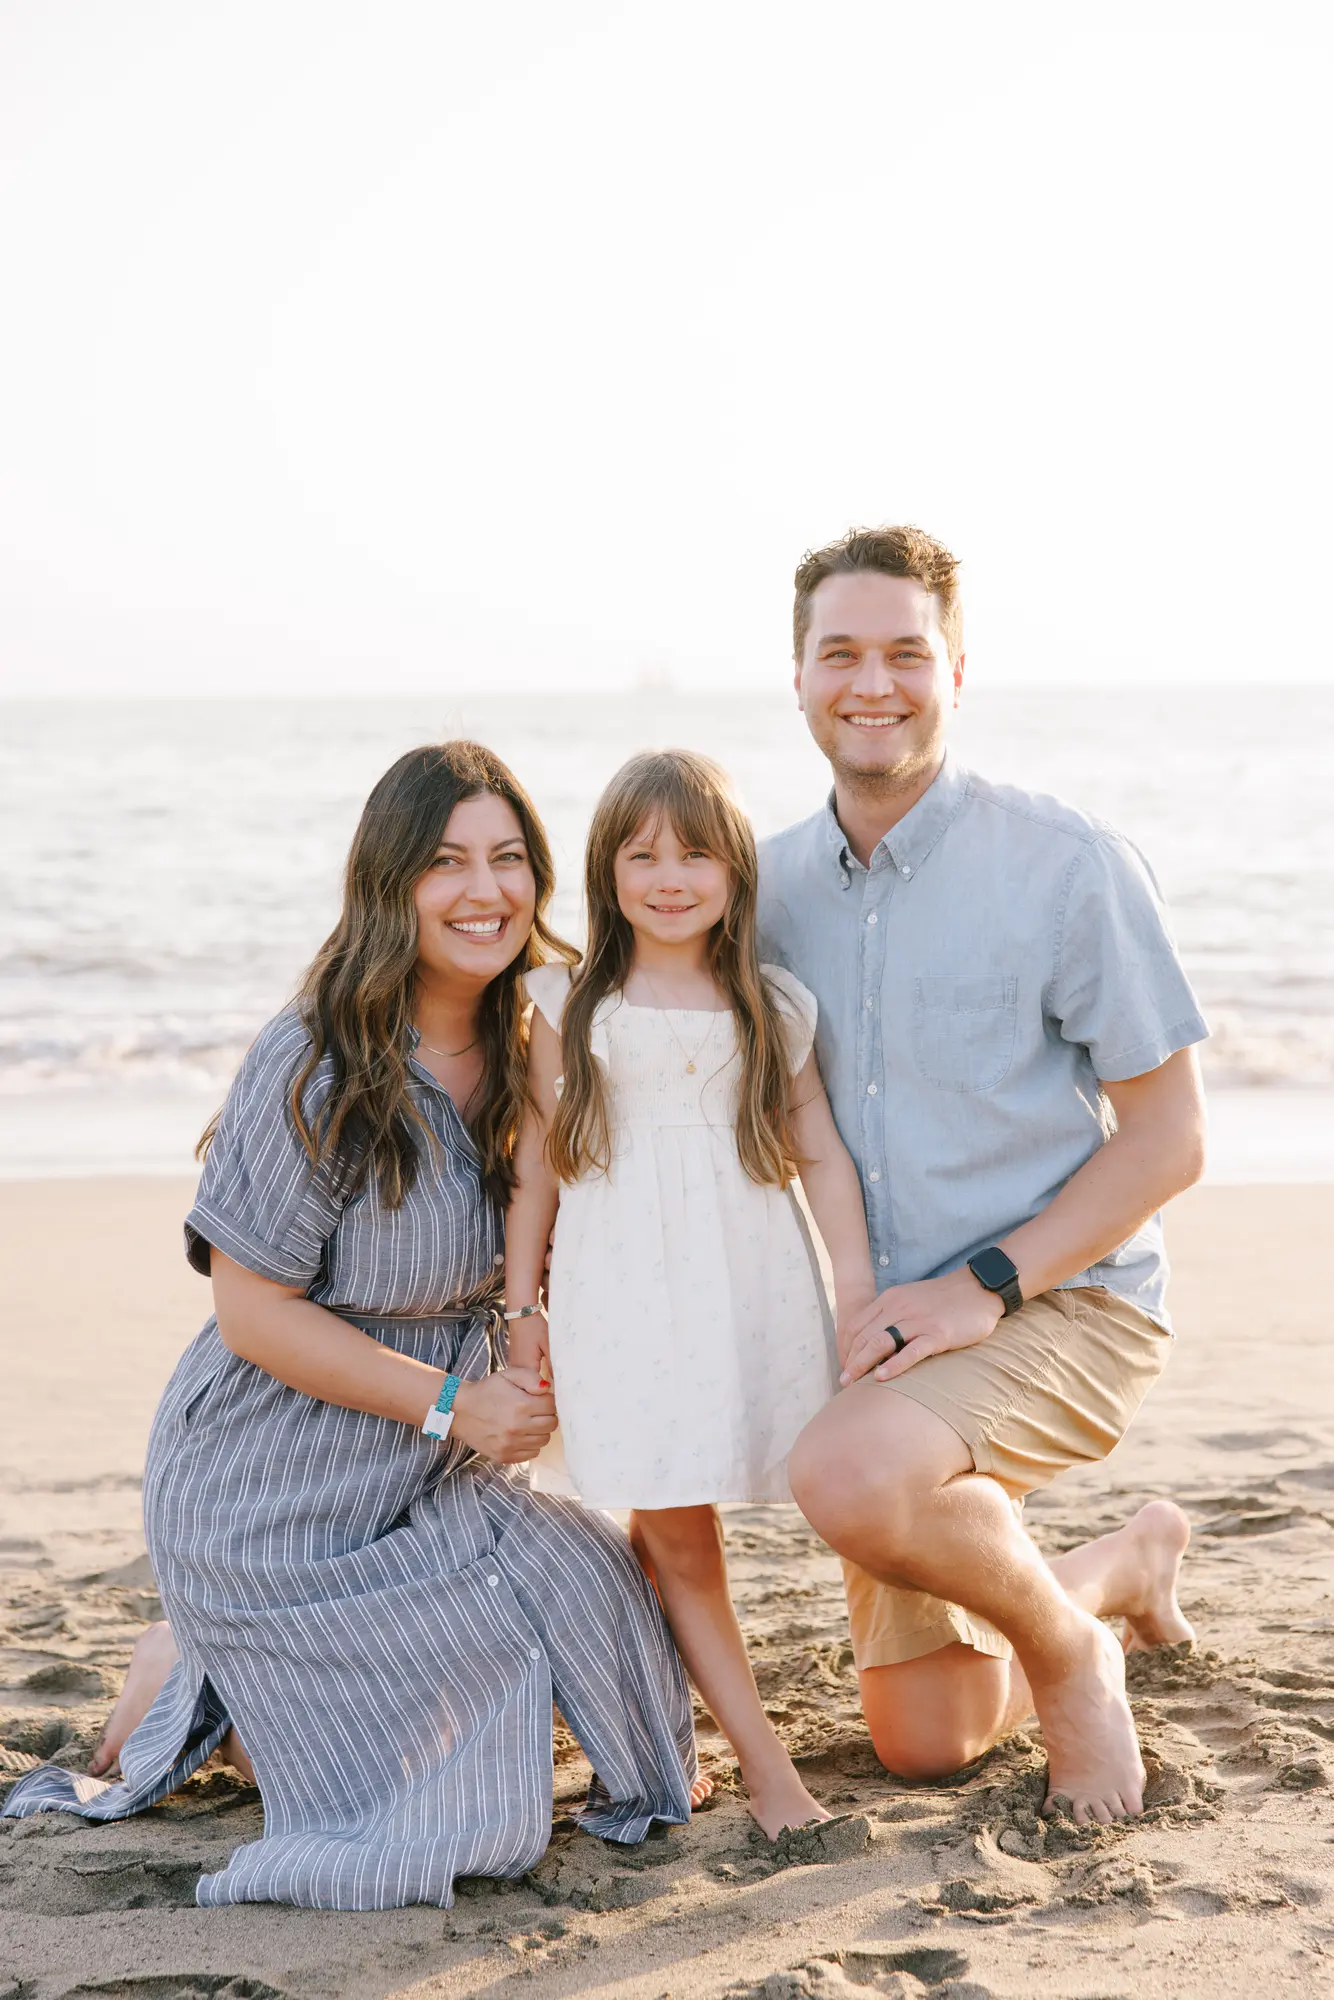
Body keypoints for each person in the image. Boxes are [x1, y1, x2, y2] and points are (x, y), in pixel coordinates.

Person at [3, 741, 699, 1908]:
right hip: (274, 1481)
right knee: (444, 1805)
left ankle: (215, 1672)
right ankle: (191, 1671)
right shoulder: (318, 1061)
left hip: (437, 1474)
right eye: (445, 863)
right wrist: (449, 1399)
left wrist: (536, 1342)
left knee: (607, 1626)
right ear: (389, 884)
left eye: (508, 859)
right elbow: (249, 1309)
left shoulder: (544, 1038)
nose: (484, 891)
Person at [760, 527, 1209, 1827]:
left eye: (906, 653)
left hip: (1065, 1304)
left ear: (956, 668)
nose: (872, 684)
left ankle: (1070, 1660)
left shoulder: (1064, 865)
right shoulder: (765, 889)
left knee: (842, 1478)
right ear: (795, 676)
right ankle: (1119, 1568)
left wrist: (984, 1284)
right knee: (925, 1743)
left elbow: (1169, 1138)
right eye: (838, 653)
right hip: (894, 1344)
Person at [503, 748, 876, 1838]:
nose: (670, 875)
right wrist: (524, 1316)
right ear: (604, 868)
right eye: (642, 851)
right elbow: (536, 1170)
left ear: (735, 869)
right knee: (674, 1528)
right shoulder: (566, 1003)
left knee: (830, 1494)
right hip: (620, 1304)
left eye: (697, 851)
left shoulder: (770, 1004)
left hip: (743, 1292)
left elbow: (821, 1159)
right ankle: (767, 1772)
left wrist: (853, 1294)